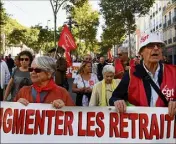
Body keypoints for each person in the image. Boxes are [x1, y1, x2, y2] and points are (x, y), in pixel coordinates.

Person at [109, 33, 176, 117]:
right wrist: (117, 101)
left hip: (168, 128)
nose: (156, 48)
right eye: (150, 45)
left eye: (158, 45)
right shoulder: (131, 74)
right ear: (141, 52)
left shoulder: (173, 72)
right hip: (140, 127)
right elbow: (114, 97)